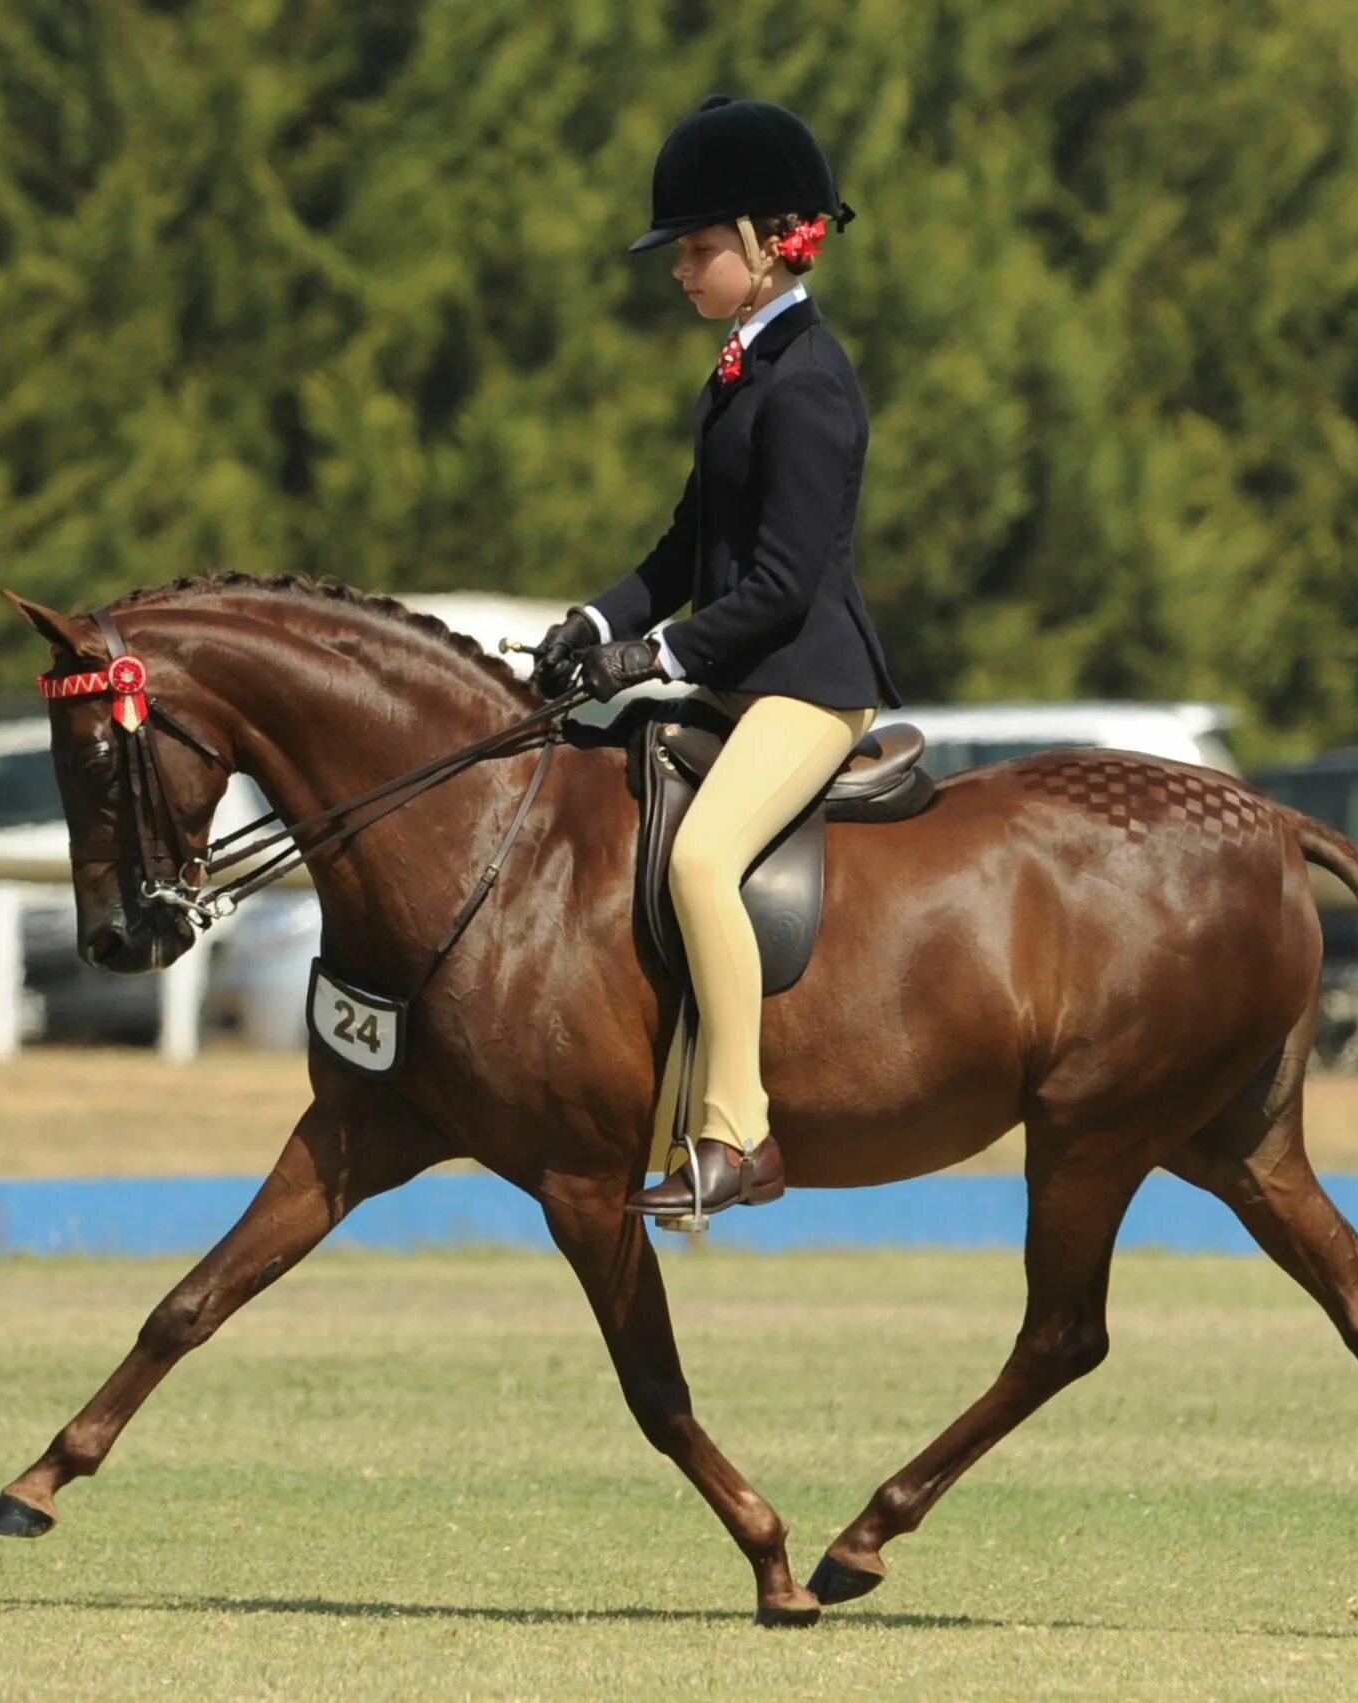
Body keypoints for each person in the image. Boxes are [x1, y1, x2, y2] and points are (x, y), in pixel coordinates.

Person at [531, 94, 900, 1220]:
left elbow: (783, 584)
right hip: (742, 677)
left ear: (763, 243)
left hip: (807, 684)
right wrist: (592, 627)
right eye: (681, 251)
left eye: (696, 249)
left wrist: (657, 651)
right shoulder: (739, 374)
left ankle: (737, 1132)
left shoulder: (810, 381)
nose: (680, 271)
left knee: (699, 860)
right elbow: (683, 548)